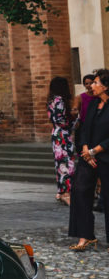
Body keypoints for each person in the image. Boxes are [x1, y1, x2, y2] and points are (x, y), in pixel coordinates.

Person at [69, 68, 109, 251]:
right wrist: (85, 149)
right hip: (88, 156)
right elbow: (84, 129)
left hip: (105, 155)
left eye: (95, 82)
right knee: (79, 190)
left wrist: (95, 151)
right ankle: (85, 236)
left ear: (106, 86)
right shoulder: (92, 104)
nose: (91, 85)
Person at [47, 76, 75, 205]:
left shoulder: (52, 99)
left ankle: (62, 191)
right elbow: (60, 119)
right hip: (62, 135)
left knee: (60, 164)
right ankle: (65, 192)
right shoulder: (59, 100)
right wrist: (74, 121)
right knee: (66, 164)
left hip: (57, 133)